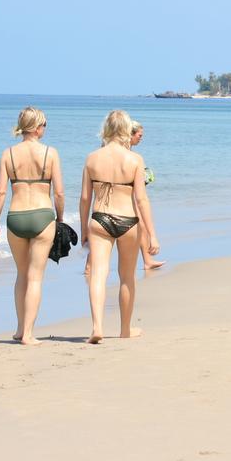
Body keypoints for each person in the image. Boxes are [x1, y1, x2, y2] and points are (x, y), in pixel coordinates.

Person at [79, 110, 159, 343]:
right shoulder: (135, 159)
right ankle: (125, 329)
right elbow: (141, 199)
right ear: (126, 129)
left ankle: (97, 327)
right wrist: (152, 234)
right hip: (128, 221)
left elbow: (85, 198)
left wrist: (84, 227)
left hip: (100, 219)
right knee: (127, 277)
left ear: (106, 128)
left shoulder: (92, 157)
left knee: (98, 275)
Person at [0, 106, 64, 345]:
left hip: (16, 216)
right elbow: (59, 193)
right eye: (44, 124)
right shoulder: (50, 153)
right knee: (35, 277)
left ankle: (20, 328)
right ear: (36, 127)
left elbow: (1, 192)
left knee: (21, 274)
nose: (45, 128)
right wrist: (60, 220)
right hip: (42, 216)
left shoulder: (8, 153)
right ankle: (29, 334)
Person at [130, 121, 165, 270]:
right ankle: (89, 266)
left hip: (129, 194)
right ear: (130, 134)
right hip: (125, 198)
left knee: (142, 226)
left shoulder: (129, 152)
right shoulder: (130, 154)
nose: (141, 138)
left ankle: (147, 260)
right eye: (139, 135)